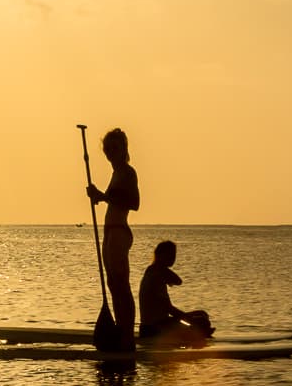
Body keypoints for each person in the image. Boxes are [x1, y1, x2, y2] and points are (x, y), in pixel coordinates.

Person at [86, 128, 140, 349]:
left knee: (121, 284)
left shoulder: (128, 172)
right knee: (112, 284)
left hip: (119, 231)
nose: (109, 153)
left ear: (123, 149)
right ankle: (119, 329)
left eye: (114, 148)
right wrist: (100, 197)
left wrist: (103, 196)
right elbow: (113, 199)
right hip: (110, 231)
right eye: (107, 149)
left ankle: (127, 334)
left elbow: (134, 203)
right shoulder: (115, 173)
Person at [138, 240, 214, 348]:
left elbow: (178, 281)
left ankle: (198, 334)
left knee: (202, 314)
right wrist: (191, 320)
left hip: (159, 324)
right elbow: (170, 310)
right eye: (170, 255)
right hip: (154, 329)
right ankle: (198, 343)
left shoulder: (153, 270)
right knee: (202, 321)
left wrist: (164, 269)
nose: (173, 258)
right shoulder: (156, 276)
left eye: (174, 255)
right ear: (160, 255)